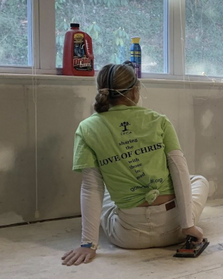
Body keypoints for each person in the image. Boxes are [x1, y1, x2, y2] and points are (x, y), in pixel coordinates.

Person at [62, 62, 209, 266]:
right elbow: (179, 170)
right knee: (198, 180)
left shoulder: (87, 128)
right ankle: (185, 222)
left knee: (104, 189)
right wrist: (188, 226)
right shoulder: (159, 120)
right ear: (135, 91)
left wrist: (88, 244)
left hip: (127, 237)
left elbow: (91, 187)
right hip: (175, 231)